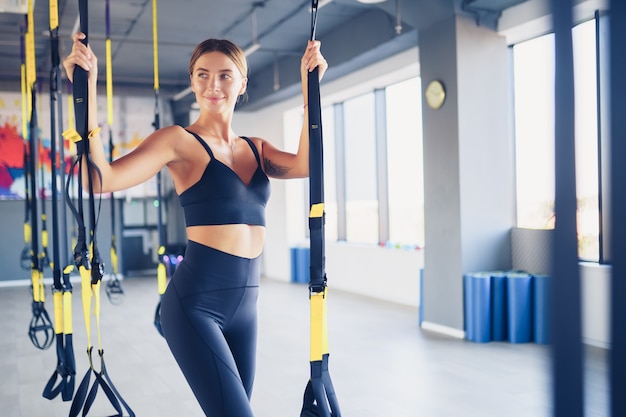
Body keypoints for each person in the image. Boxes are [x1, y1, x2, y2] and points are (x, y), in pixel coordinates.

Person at [63, 32, 327, 417]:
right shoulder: (179, 141)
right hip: (196, 305)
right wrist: (85, 94)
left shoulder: (256, 148)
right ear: (191, 81)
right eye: (202, 75)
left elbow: (307, 163)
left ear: (242, 84)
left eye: (224, 75)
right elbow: (100, 179)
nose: (212, 85)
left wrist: (310, 89)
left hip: (246, 309)